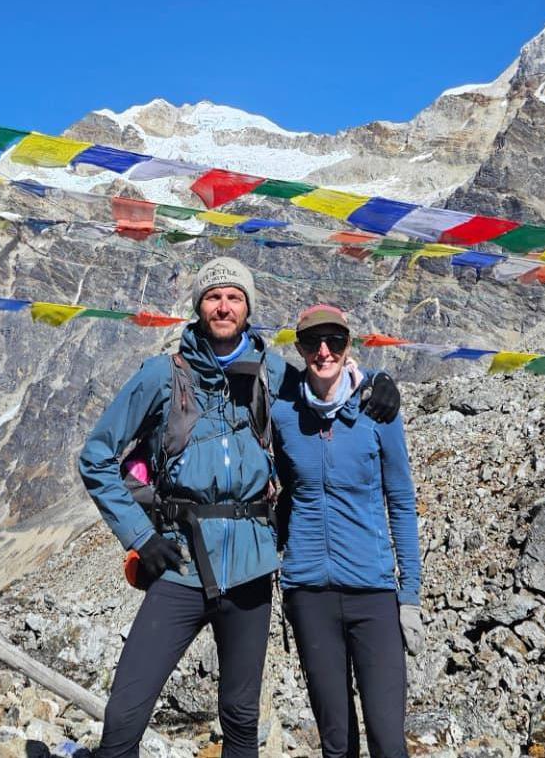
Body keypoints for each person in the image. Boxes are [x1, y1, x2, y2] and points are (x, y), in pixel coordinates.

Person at [78, 259, 400, 758]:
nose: (223, 306)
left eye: (234, 296)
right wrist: (141, 538)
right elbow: (96, 457)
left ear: (248, 308)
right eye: (212, 296)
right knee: (125, 712)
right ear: (198, 308)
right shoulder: (163, 375)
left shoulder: (274, 373)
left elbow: (329, 383)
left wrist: (379, 383)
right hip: (180, 562)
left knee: (242, 718)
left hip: (251, 568)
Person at [271, 304, 422, 758]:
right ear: (299, 349)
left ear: (348, 345)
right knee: (336, 742)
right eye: (313, 342)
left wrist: (409, 594)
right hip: (309, 593)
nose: (324, 351)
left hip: (373, 593)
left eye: (334, 341)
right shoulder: (283, 414)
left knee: (388, 740)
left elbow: (401, 500)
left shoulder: (378, 410)